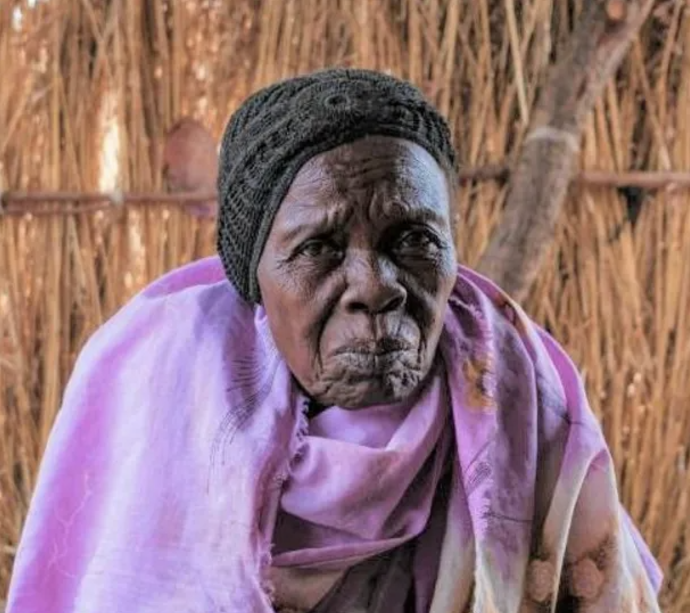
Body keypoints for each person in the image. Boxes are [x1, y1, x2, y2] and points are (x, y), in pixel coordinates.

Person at [6, 69, 662, 612]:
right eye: (318, 247)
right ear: (254, 278)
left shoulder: (518, 398)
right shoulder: (160, 399)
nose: (374, 287)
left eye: (414, 240)